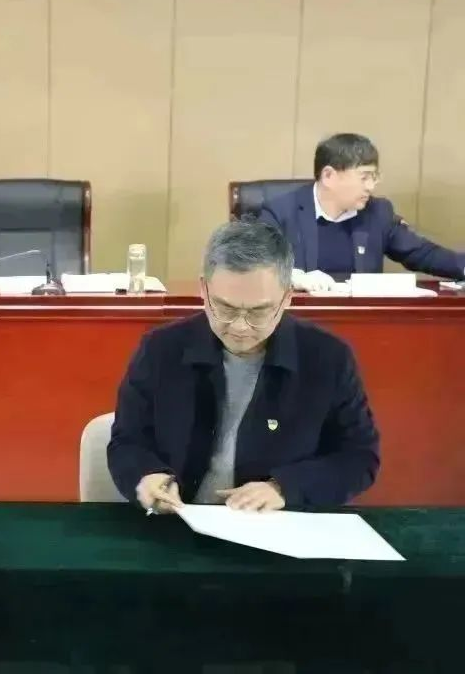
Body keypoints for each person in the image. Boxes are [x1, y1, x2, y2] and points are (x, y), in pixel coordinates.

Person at [107, 219, 379, 514]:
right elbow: (127, 441)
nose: (240, 326)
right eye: (225, 308)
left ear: (287, 297)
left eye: (258, 312)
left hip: (277, 525)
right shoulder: (161, 349)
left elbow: (359, 457)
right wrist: (148, 475)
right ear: (203, 289)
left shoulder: (327, 358)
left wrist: (285, 488)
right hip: (180, 519)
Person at [259, 132, 464, 291]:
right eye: (364, 177)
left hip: (361, 321)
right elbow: (254, 264)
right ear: (328, 176)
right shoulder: (281, 212)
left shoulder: (377, 212)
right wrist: (292, 277)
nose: (371, 187)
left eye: (374, 177)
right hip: (299, 319)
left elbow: (422, 253)